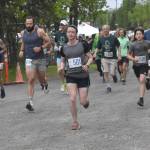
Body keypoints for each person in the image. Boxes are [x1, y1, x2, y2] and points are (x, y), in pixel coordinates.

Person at [59, 25, 93, 130]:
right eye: (69, 32)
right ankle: (75, 122)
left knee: (82, 102)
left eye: (73, 32)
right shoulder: (63, 47)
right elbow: (63, 60)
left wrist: (87, 65)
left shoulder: (83, 44)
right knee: (72, 99)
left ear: (76, 34)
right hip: (71, 75)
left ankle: (86, 102)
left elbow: (91, 57)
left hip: (83, 75)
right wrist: (61, 67)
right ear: (66, 34)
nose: (71, 34)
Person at [19, 16, 51, 111]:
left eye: (30, 24)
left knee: (41, 78)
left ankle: (44, 84)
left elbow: (49, 42)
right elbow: (24, 42)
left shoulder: (39, 31)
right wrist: (21, 50)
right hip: (29, 58)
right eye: (27, 24)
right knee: (31, 79)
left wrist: (40, 48)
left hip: (40, 59)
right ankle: (30, 102)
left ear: (33, 23)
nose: (28, 25)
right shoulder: (22, 33)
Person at [128, 28, 150, 107]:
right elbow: (128, 55)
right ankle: (147, 82)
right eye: (137, 34)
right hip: (136, 66)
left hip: (144, 65)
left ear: (143, 35)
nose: (138, 35)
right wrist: (133, 59)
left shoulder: (147, 43)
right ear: (135, 35)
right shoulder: (132, 44)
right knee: (141, 81)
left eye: (140, 34)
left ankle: (141, 99)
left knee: (141, 80)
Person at [96, 25, 121, 93]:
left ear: (109, 30)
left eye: (106, 29)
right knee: (105, 71)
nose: (105, 30)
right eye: (104, 29)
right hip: (104, 58)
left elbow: (118, 46)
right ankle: (108, 86)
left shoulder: (113, 38)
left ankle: (114, 75)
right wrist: (94, 54)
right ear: (102, 30)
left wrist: (119, 55)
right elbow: (98, 47)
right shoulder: (101, 38)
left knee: (112, 73)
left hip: (113, 58)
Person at [54, 20, 68, 92]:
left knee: (68, 71)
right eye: (60, 24)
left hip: (68, 56)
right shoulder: (57, 33)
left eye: (63, 25)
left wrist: (63, 47)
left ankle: (69, 83)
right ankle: (63, 83)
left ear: (66, 26)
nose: (61, 26)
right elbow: (56, 42)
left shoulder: (68, 34)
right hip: (59, 55)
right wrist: (56, 47)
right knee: (59, 70)